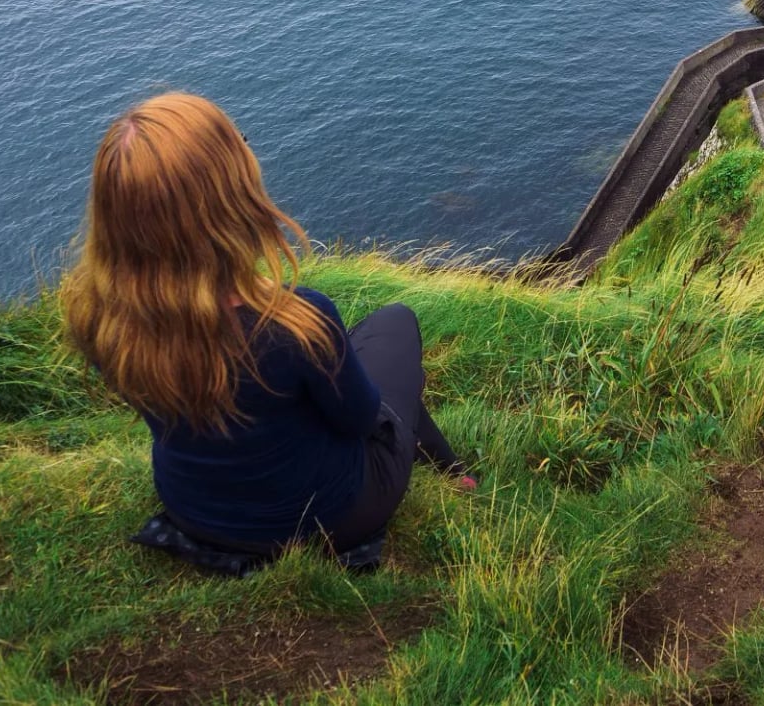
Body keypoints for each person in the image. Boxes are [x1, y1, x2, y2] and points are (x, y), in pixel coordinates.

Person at [60, 92, 472, 565]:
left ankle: (457, 472)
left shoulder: (98, 316)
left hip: (196, 511)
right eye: (240, 144)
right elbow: (360, 422)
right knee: (395, 325)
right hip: (329, 519)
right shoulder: (293, 322)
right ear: (225, 196)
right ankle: (460, 476)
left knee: (340, 367)